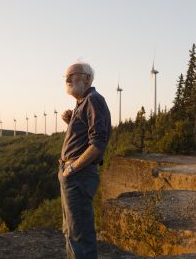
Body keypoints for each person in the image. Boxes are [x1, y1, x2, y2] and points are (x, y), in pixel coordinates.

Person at [59, 62, 111, 259]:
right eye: (66, 77)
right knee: (71, 231)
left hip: (78, 175)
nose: (68, 79)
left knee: (80, 234)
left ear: (87, 78)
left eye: (73, 75)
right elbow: (84, 137)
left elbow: (98, 143)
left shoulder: (94, 99)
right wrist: (71, 120)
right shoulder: (83, 102)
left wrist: (72, 169)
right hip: (72, 174)